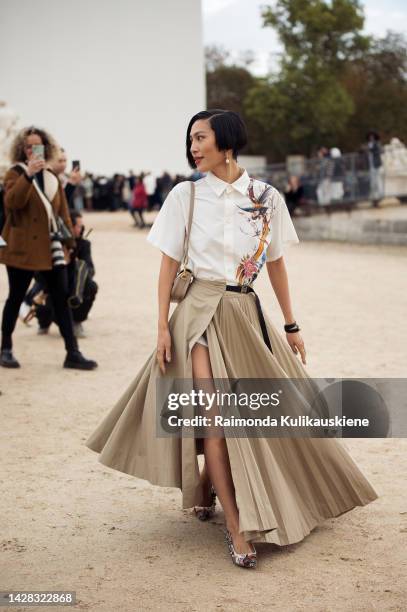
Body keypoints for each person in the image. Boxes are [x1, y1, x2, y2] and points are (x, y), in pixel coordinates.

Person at [85, 110, 378, 569]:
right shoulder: (186, 195)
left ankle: (205, 484)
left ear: (227, 141)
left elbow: (276, 262)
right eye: (190, 139)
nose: (193, 147)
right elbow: (166, 267)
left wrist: (292, 323)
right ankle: (237, 527)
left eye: (200, 138)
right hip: (198, 316)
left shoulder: (266, 197)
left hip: (245, 314)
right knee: (216, 418)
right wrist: (162, 326)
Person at [0, 126, 97, 370]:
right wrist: (28, 176)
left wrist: (69, 245)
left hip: (52, 247)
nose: (34, 150)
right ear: (22, 149)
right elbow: (13, 203)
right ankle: (6, 348)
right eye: (29, 146)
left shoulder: (52, 177)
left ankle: (72, 352)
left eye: (39, 146)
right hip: (22, 249)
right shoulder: (15, 174)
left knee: (61, 299)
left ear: (47, 148)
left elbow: (62, 214)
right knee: (16, 297)